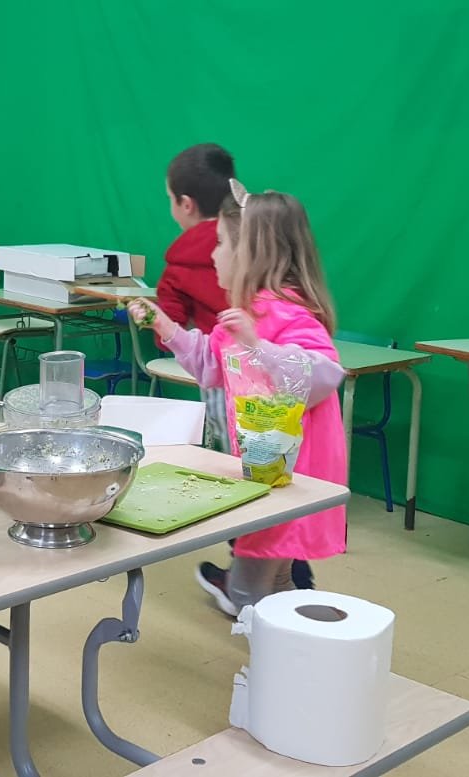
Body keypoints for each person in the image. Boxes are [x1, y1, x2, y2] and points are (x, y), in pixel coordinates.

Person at [129, 179, 348, 615]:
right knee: (276, 575)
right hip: (268, 467)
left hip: (293, 473)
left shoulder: (286, 314)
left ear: (250, 255)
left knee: (251, 583)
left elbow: (324, 375)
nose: (212, 255)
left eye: (221, 244)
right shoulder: (245, 314)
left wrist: (257, 346)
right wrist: (165, 327)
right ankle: (292, 636)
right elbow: (211, 366)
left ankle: (274, 640)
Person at [156, 143, 235, 450]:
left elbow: (168, 331)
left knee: (230, 455)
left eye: (170, 199)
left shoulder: (179, 262)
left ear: (186, 204)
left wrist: (153, 318)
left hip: (218, 370)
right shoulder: (258, 241)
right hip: (267, 370)